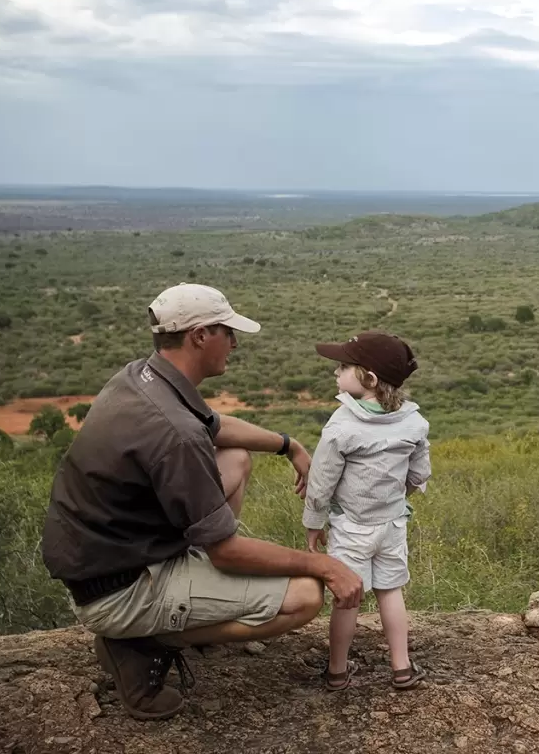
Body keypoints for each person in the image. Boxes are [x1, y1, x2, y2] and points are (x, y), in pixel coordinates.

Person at [41, 283, 363, 721]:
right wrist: (325, 565)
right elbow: (227, 551)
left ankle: (169, 611)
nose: (233, 342)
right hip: (121, 590)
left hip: (107, 557)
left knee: (234, 458)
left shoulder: (141, 377)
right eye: (226, 331)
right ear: (198, 336)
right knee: (305, 595)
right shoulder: (174, 433)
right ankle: (143, 642)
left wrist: (289, 445)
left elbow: (214, 426)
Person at [304, 331, 431, 690]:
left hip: (351, 528)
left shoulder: (342, 426)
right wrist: (395, 496)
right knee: (391, 592)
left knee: (348, 598)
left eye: (344, 367)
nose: (336, 372)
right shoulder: (414, 423)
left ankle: (337, 671)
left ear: (369, 380)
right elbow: (420, 473)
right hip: (392, 523)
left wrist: (314, 523)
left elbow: (321, 482)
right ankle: (401, 668)